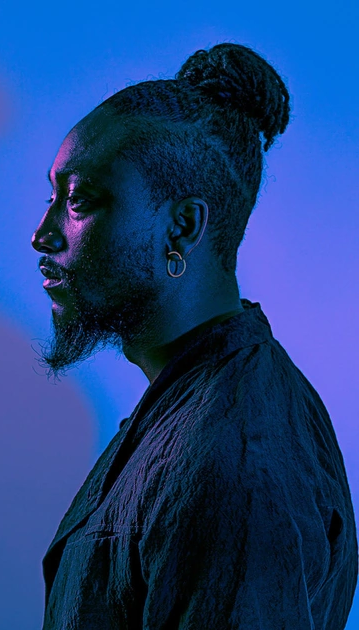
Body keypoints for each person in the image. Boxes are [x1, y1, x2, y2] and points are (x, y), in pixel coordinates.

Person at [31, 42, 358, 629]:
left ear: (181, 227)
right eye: (51, 196)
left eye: (79, 201)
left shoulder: (232, 461)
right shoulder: (196, 400)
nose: (43, 234)